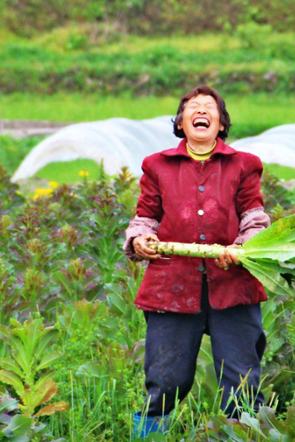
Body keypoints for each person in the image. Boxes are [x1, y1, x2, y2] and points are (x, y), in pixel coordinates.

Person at [123, 85, 271, 437]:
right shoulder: (157, 165)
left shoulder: (243, 165)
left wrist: (243, 248)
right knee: (166, 378)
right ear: (180, 123)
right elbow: (146, 216)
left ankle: (242, 432)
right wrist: (140, 240)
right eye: (192, 106)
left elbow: (254, 216)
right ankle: (149, 434)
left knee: (241, 377)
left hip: (233, 285)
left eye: (209, 107)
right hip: (171, 287)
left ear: (221, 125)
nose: (200, 110)